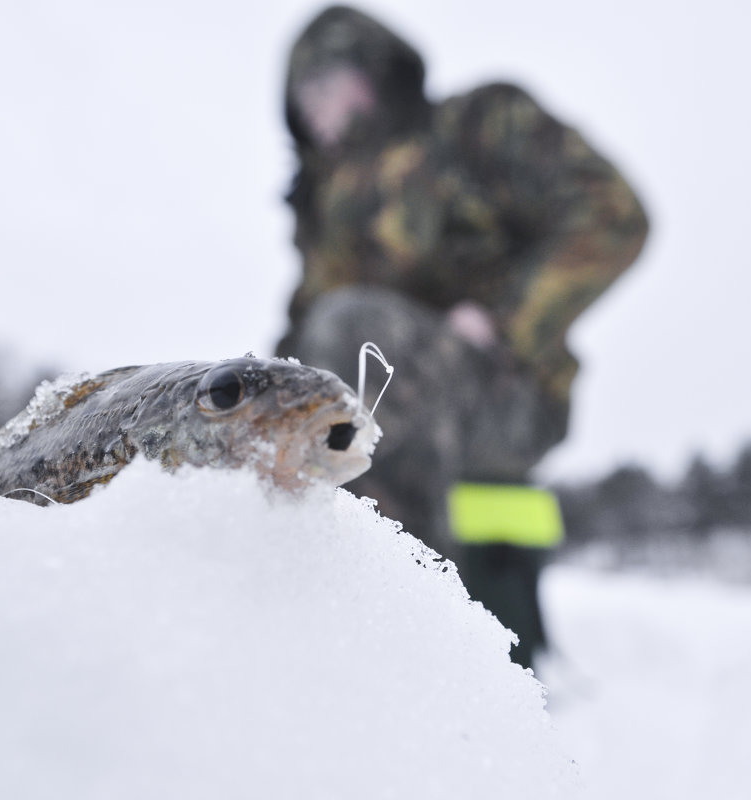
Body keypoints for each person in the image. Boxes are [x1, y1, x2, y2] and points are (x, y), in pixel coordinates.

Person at [275, 5, 648, 667]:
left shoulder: (473, 126)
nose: (318, 109)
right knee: (273, 393)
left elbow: (611, 215)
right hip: (384, 385)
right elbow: (302, 332)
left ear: (376, 76)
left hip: (502, 392)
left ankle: (406, 644)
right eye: (304, 97)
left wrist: (507, 321)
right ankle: (287, 629)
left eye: (330, 84)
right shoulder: (326, 202)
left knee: (358, 337)